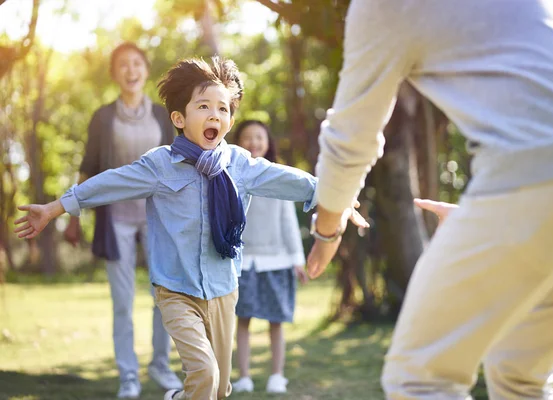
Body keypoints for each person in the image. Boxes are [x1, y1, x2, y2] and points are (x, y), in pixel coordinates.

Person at [14, 56, 367, 400]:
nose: (215, 113)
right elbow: (109, 183)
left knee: (219, 388)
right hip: (176, 289)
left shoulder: (239, 164)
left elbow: (288, 180)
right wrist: (54, 208)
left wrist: (336, 196)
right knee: (204, 372)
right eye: (204, 106)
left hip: (223, 289)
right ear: (180, 118)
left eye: (223, 108)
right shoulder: (160, 165)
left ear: (229, 121)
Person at [305, 0, 553, 399]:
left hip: (539, 173)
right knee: (519, 370)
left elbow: (349, 138)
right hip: (550, 182)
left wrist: (327, 230)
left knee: (421, 378)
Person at [62, 42, 181, 398]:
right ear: (115, 74)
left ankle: (161, 364)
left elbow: (178, 163)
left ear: (146, 70)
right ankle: (128, 375)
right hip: (115, 218)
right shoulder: (103, 116)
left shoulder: (162, 115)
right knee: (122, 300)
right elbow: (88, 165)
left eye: (136, 64)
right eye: (123, 65)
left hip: (157, 216)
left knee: (164, 293)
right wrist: (72, 212)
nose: (130, 70)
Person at [230, 120, 309, 394]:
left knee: (276, 321)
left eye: (259, 137)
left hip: (277, 261)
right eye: (247, 137)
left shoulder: (278, 176)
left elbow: (288, 221)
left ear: (268, 143)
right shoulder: (228, 177)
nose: (253, 142)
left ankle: (277, 375)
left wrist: (297, 259)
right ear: (237, 143)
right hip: (243, 263)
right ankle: (244, 377)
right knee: (242, 321)